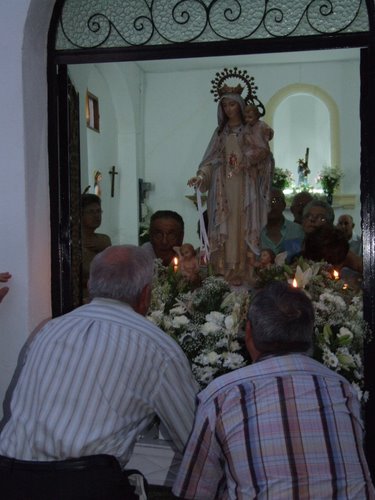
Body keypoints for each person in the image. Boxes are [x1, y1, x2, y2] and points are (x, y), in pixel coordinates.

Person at [0, 245, 198, 500]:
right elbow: (195, 443)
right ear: (145, 295)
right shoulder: (157, 347)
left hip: (9, 480)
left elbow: (17, 411)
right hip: (83, 487)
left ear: (91, 285)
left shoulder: (49, 330)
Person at [173, 281, 375, 499]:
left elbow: (194, 491)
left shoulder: (224, 394)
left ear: (248, 331)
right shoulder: (341, 388)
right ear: (310, 332)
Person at [188, 86, 272, 286]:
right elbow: (210, 161)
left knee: (244, 227)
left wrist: (251, 158)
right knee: (225, 227)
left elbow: (264, 155)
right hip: (222, 188)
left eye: (232, 104)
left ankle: (245, 270)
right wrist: (200, 176)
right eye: (224, 105)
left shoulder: (252, 130)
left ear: (241, 106)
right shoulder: (220, 133)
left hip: (246, 188)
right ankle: (223, 271)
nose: (228, 109)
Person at [81, 193, 112, 300]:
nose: (96, 215)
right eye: (91, 212)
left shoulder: (104, 240)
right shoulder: (75, 242)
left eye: (98, 211)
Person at [260, 187, 304, 260]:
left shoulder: (297, 230)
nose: (271, 204)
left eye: (275, 200)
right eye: (266, 201)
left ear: (283, 205)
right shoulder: (254, 232)